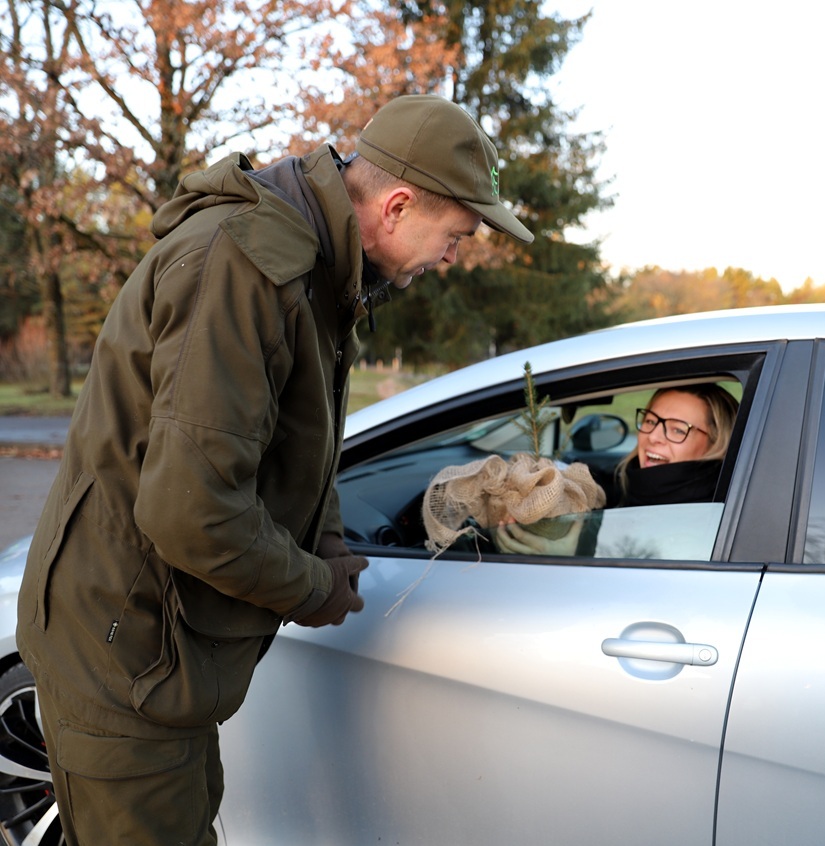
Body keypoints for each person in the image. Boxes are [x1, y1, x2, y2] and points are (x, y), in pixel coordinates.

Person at [15, 94, 533, 846]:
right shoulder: (247, 266)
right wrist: (312, 585)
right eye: (455, 235)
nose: (452, 257)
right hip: (124, 653)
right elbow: (189, 511)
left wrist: (323, 542)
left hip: (162, 657)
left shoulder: (315, 268)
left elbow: (300, 439)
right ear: (396, 206)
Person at [493, 383, 739, 556]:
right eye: (651, 421)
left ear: (716, 443)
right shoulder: (630, 484)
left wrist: (576, 556)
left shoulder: (708, 512)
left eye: (676, 429)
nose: (653, 436)